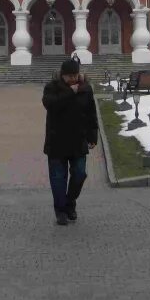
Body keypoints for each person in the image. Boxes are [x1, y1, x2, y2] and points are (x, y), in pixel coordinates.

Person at [42, 57, 98, 225]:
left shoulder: (86, 89)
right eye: (69, 76)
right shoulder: (51, 88)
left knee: (80, 173)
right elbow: (50, 105)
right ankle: (60, 211)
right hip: (57, 140)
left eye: (75, 75)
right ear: (62, 75)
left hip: (78, 140)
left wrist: (92, 136)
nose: (73, 79)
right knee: (58, 179)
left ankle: (69, 203)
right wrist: (70, 92)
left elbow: (91, 113)